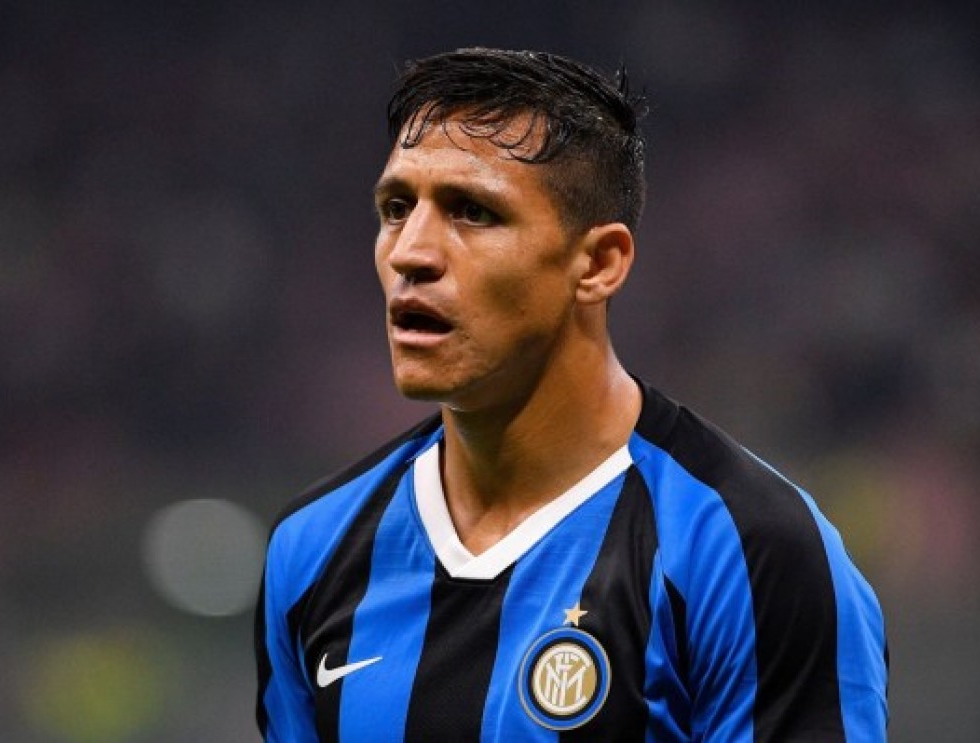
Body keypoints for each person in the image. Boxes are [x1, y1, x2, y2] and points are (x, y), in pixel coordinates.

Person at [255, 48, 888, 742]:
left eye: (472, 212)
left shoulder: (747, 550)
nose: (411, 251)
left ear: (599, 263)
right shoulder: (313, 549)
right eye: (396, 208)